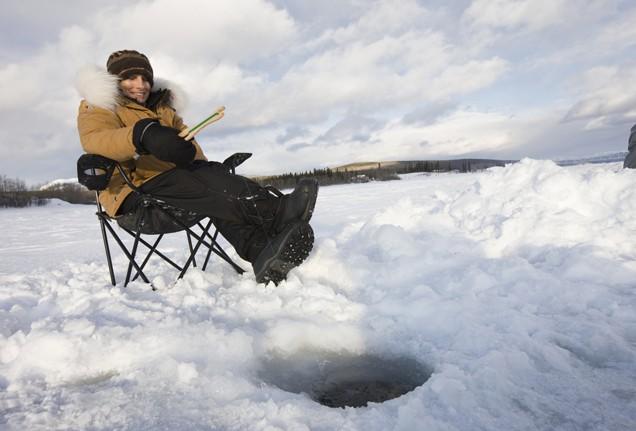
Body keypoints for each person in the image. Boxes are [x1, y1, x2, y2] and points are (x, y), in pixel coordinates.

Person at [76, 49, 318, 284]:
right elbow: (97, 139)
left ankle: (260, 251)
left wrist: (190, 155)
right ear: (114, 80)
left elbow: (192, 153)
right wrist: (142, 135)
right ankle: (275, 211)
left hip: (179, 190)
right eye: (130, 77)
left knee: (211, 181)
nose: (140, 85)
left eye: (145, 78)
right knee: (204, 184)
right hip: (136, 198)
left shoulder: (163, 108)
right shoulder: (99, 106)